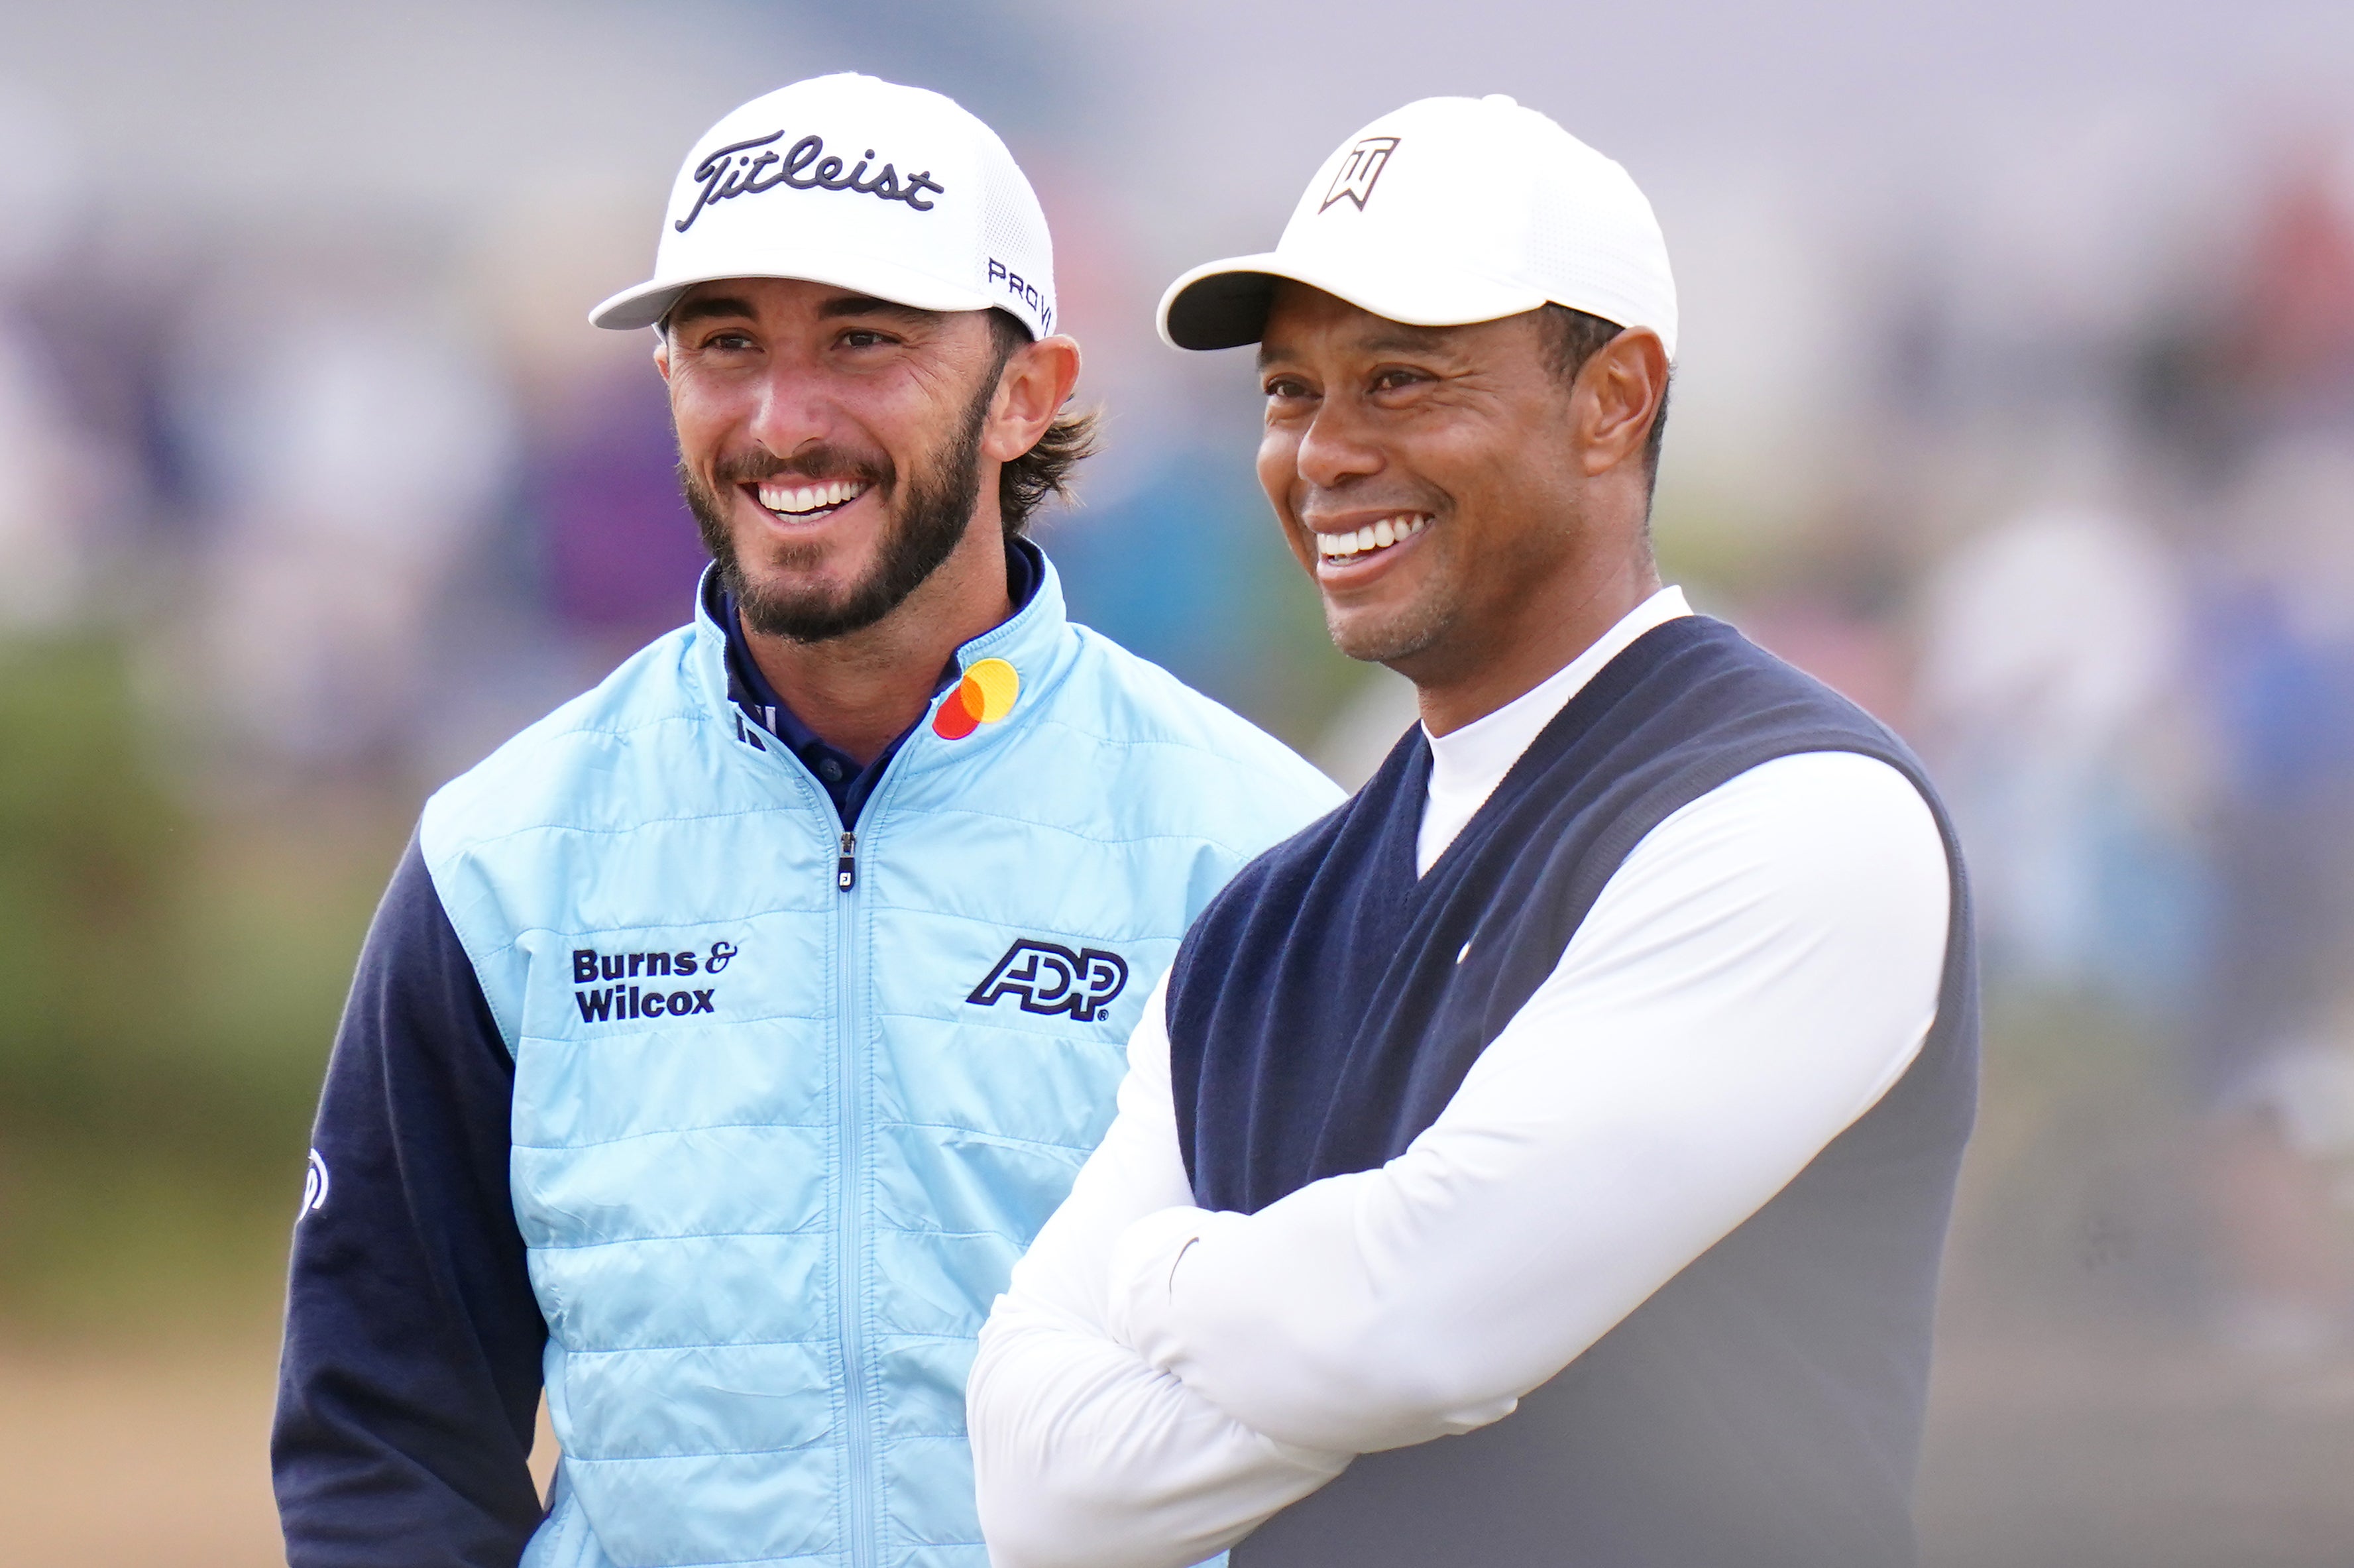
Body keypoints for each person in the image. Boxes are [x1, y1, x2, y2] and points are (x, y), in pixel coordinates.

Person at [270, 74, 1339, 1568]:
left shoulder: (1266, 852)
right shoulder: (506, 854)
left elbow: (1383, 1416)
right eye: (726, 344)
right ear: (664, 383)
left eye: (864, 339)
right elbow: (383, 1428)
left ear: (1026, 391)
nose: (784, 418)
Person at [967, 93, 1976, 1568]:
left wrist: (1163, 1279)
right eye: (1292, 390)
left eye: (1403, 380)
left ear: (1615, 397)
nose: (1324, 452)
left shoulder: (1799, 816)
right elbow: (1043, 1496)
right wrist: (1364, 1323)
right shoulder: (1257, 924)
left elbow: (1410, 1330)